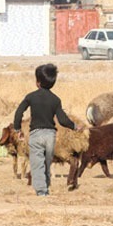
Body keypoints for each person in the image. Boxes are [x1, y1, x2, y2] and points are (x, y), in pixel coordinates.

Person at [12, 63, 76, 197]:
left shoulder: (31, 97)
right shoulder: (56, 100)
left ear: (37, 82)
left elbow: (19, 112)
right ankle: (46, 186)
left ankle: (42, 192)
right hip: (50, 136)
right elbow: (63, 120)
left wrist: (18, 128)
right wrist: (75, 126)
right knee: (46, 163)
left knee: (37, 165)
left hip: (35, 135)